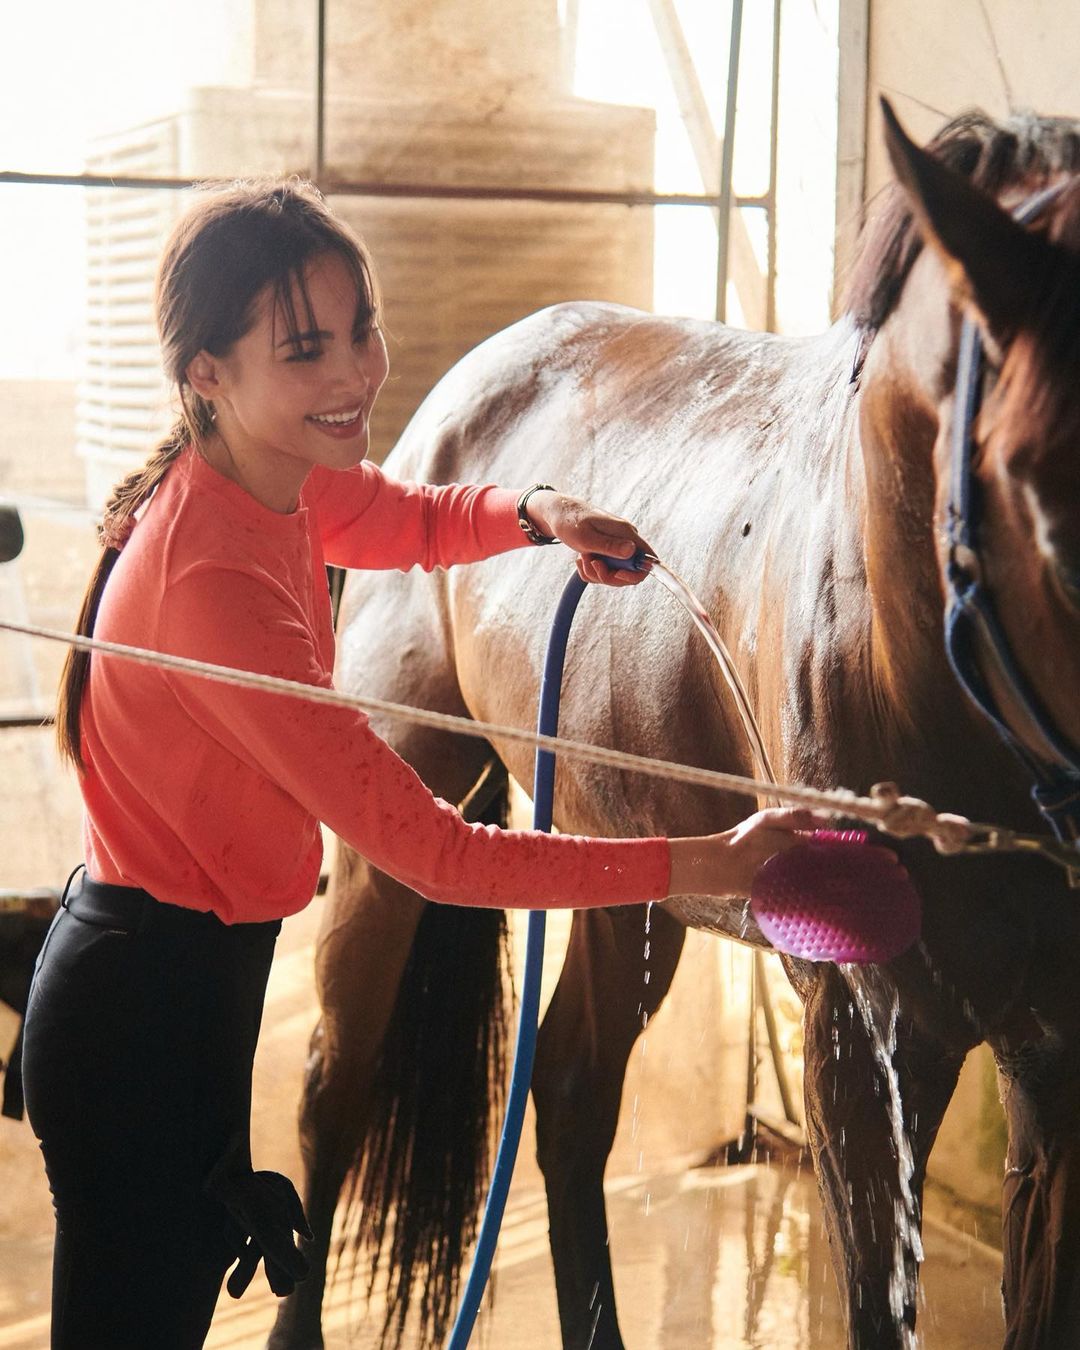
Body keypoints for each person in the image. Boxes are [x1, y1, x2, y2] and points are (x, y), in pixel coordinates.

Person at [21, 179, 819, 1349]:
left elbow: (399, 515)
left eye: (361, 331)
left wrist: (539, 512)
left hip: (186, 990)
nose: (355, 373)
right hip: (141, 1011)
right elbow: (435, 855)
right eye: (306, 349)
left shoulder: (267, 480)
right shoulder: (212, 584)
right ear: (206, 372)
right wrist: (713, 860)